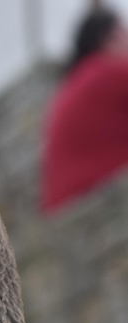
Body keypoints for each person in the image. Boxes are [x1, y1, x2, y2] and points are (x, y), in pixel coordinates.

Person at [41, 8, 128, 214]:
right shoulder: (106, 72)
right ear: (111, 38)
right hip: (93, 202)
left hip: (68, 207)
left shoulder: (76, 83)